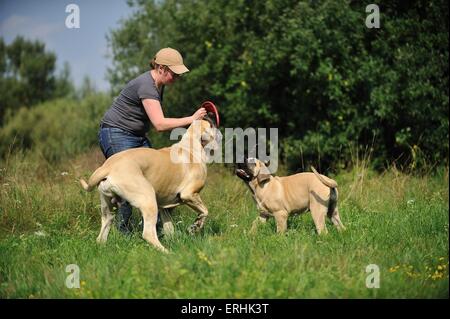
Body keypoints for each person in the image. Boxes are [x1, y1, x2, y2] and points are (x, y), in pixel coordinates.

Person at [98, 47, 207, 234]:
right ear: (161, 68)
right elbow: (160, 124)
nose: (177, 78)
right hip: (116, 133)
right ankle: (125, 235)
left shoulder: (158, 84)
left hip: (136, 136)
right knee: (127, 185)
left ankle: (158, 234)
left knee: (156, 181)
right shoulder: (147, 86)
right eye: (175, 73)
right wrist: (191, 119)